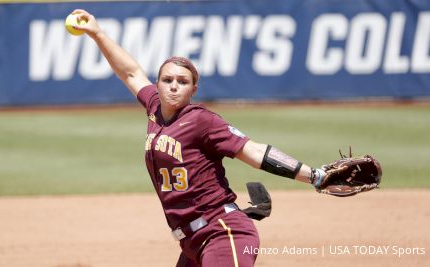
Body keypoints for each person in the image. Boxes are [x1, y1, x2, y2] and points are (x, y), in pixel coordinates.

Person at [71, 9, 327, 267]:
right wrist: (97, 33)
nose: (173, 85)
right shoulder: (154, 107)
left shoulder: (201, 120)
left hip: (223, 234)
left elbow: (254, 151)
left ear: (194, 88)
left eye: (182, 81)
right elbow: (131, 73)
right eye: (167, 79)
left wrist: (315, 176)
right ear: (157, 85)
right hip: (193, 242)